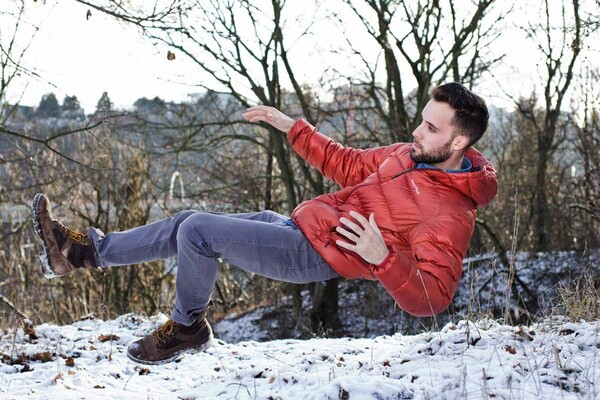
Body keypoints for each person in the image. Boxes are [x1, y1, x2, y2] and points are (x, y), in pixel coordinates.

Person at [31, 82, 497, 365]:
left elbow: (433, 298)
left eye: (431, 129)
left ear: (459, 141)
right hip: (302, 226)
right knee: (187, 223)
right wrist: (290, 125)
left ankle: (186, 327)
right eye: (421, 121)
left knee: (198, 233)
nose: (417, 132)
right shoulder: (408, 154)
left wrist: (384, 259)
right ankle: (81, 252)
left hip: (314, 254)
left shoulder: (450, 213)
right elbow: (347, 162)